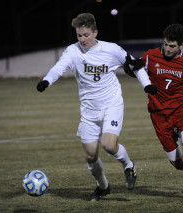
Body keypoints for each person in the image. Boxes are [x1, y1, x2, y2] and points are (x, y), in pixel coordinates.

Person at [36, 13, 155, 201]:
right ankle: (103, 187)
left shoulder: (111, 49)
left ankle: (128, 165)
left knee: (108, 145)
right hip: (88, 111)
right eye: (79, 36)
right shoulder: (72, 51)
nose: (83, 39)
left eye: (86, 35)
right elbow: (59, 67)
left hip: (111, 105)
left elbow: (136, 65)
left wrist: (147, 85)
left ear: (95, 33)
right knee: (90, 155)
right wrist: (46, 81)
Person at [124, 23, 183, 173]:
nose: (167, 49)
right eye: (165, 44)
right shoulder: (151, 55)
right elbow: (135, 72)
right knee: (177, 163)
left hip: (180, 110)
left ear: (181, 45)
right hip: (159, 114)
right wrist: (130, 67)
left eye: (171, 46)